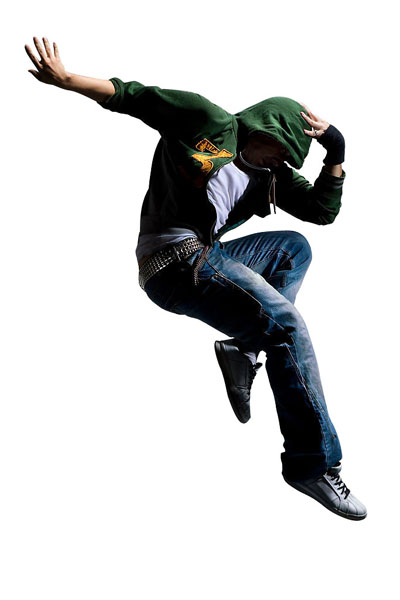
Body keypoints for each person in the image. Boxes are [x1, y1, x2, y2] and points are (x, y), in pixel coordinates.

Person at [25, 36, 367, 520]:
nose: (281, 163)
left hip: (207, 255)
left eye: (289, 160)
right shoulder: (209, 121)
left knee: (294, 248)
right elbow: (134, 97)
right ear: (263, 127)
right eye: (279, 151)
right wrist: (67, 80)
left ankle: (244, 349)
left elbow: (321, 211)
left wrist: (336, 154)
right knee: (288, 330)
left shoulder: (271, 176)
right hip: (172, 259)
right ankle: (312, 465)